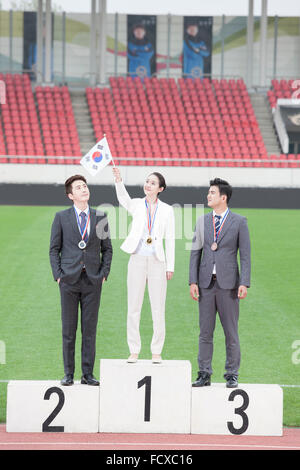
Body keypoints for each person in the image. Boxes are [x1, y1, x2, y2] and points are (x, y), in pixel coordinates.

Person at [49, 175, 113, 386]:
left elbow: (107, 249)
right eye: (78, 187)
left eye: (84, 186)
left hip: (92, 281)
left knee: (89, 330)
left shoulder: (100, 217)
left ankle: (88, 374)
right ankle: (68, 373)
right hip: (68, 280)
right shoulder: (61, 217)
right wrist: (58, 275)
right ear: (71, 195)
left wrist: (104, 273)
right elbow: (54, 249)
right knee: (68, 330)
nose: (83, 189)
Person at [189, 178, 251, 388]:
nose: (208, 196)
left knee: (230, 332)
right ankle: (204, 373)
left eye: (212, 193)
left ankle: (232, 373)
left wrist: (244, 282)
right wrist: (193, 281)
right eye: (208, 193)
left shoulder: (239, 221)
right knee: (205, 332)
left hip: (229, 285)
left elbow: (245, 255)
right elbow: (195, 253)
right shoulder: (202, 221)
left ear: (223, 198)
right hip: (206, 284)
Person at [112, 167, 175, 363]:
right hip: (137, 259)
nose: (148, 185)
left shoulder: (167, 210)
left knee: (158, 307)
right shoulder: (137, 204)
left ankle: (156, 351)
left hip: (158, 261)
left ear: (160, 189)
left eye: (153, 183)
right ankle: (134, 350)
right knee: (134, 306)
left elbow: (171, 239)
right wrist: (118, 181)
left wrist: (169, 266)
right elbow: (123, 199)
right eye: (147, 181)